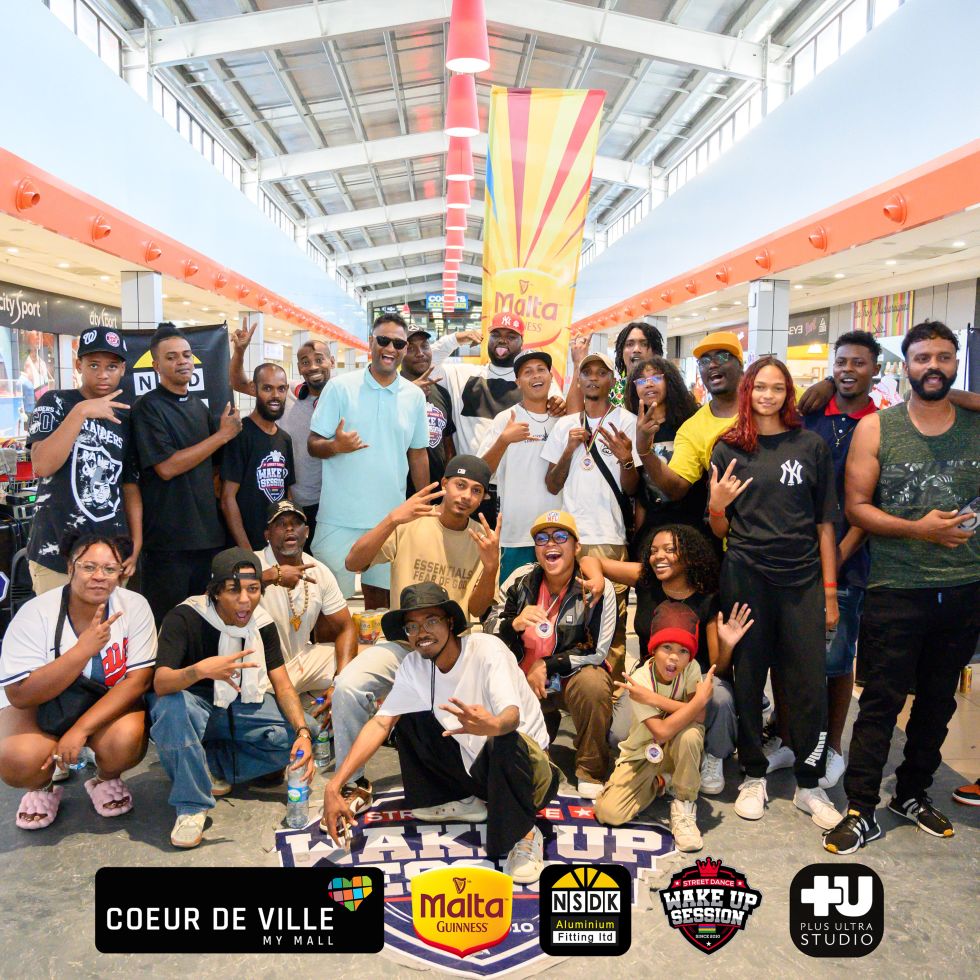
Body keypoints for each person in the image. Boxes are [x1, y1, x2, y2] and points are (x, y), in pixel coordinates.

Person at [824, 321, 980, 855]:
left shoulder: (975, 424)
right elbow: (856, 508)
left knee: (938, 702)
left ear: (956, 361)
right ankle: (860, 808)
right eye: (922, 358)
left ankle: (912, 794)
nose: (932, 366)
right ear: (905, 366)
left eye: (943, 357)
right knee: (881, 702)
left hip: (964, 587)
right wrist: (920, 530)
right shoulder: (877, 428)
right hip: (896, 587)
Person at [322, 583, 557, 885]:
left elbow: (511, 717)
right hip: (478, 768)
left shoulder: (487, 650)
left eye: (431, 621)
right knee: (405, 717)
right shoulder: (413, 665)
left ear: (450, 623)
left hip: (529, 773)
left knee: (502, 738)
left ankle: (525, 832)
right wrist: (336, 784)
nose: (422, 632)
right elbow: (381, 723)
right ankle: (461, 799)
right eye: (412, 626)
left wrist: (491, 725)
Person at [708, 356, 842, 833]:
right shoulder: (728, 447)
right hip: (746, 576)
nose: (768, 395)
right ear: (748, 391)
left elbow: (825, 525)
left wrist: (830, 594)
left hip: (802, 580)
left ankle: (810, 782)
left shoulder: (810, 446)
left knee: (808, 681)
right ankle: (752, 774)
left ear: (788, 393)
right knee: (748, 675)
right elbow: (719, 528)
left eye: (778, 388)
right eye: (760, 387)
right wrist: (716, 506)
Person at [333, 456, 501, 812]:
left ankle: (468, 783)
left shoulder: (481, 539)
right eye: (460, 485)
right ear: (444, 484)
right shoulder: (411, 522)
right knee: (348, 685)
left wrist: (490, 567)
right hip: (402, 643)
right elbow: (353, 563)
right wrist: (392, 519)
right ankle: (351, 782)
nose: (466, 496)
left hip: (452, 652)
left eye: (476, 491)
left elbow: (476, 608)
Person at [149, 548, 315, 849]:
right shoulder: (185, 616)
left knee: (310, 734)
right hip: (195, 707)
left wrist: (302, 732)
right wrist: (200, 671)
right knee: (170, 707)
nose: (244, 600)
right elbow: (161, 684)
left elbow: (282, 684)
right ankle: (191, 806)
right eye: (233, 590)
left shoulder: (261, 622)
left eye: (253, 589)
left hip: (240, 705)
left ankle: (209, 766)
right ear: (214, 592)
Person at [0, 534, 155, 830]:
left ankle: (104, 779)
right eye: (88, 567)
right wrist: (83, 650)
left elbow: (138, 681)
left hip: (103, 702)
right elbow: (19, 694)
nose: (99, 576)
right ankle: (42, 787)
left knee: (126, 742)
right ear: (70, 567)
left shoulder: (134, 606)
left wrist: (79, 731)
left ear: (121, 572)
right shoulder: (35, 613)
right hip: (42, 704)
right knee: (18, 760)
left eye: (109, 569)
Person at [597, 525, 751, 795]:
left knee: (721, 696)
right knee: (617, 735)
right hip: (652, 676)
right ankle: (667, 756)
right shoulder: (645, 580)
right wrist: (597, 581)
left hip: (694, 678)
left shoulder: (707, 598)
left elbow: (719, 668)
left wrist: (727, 645)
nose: (659, 556)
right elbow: (593, 561)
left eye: (669, 550)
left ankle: (714, 756)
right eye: (654, 551)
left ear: (689, 556)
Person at [485, 510, 616, 799]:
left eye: (560, 537)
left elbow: (598, 651)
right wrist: (513, 624)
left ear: (576, 547)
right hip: (525, 682)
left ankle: (590, 769)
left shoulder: (597, 587)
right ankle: (542, 729)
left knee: (594, 684)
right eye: (542, 539)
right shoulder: (520, 579)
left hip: (570, 679)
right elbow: (490, 624)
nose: (550, 544)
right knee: (525, 770)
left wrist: (548, 664)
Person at [802, 331, 881, 789]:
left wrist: (834, 559)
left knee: (836, 658)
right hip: (797, 560)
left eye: (858, 363)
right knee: (794, 656)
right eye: (841, 363)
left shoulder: (881, 424)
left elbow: (871, 506)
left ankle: (832, 746)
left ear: (876, 370)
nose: (848, 370)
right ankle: (794, 739)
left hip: (848, 561)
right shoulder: (811, 413)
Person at [307, 312, 429, 608]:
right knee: (329, 606)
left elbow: (418, 453)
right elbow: (313, 444)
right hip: (338, 519)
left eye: (398, 344)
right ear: (371, 342)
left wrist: (424, 505)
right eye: (384, 340)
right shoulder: (339, 388)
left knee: (383, 605)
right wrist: (336, 446)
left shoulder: (414, 396)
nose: (390, 349)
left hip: (389, 519)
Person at [132, 323, 241, 624]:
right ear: (156, 366)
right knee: (169, 627)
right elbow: (167, 467)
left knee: (204, 625)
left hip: (207, 539)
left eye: (186, 355)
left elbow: (213, 467)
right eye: (171, 357)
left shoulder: (198, 407)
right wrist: (222, 436)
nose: (182, 361)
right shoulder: (147, 408)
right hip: (167, 544)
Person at [543, 352, 640, 680]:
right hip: (570, 539)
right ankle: (570, 688)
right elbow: (552, 483)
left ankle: (613, 689)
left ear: (612, 380)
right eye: (588, 373)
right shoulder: (565, 426)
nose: (594, 378)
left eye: (601, 372)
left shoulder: (627, 421)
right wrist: (569, 449)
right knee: (568, 617)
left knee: (612, 622)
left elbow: (632, 488)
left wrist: (626, 459)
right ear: (579, 381)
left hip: (610, 537)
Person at [26, 327, 141, 594]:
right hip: (56, 553)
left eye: (112, 366)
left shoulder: (126, 417)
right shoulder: (55, 402)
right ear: (79, 366)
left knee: (110, 621)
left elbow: (129, 486)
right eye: (94, 365)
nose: (103, 374)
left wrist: (136, 544)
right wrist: (81, 411)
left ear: (123, 369)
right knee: (58, 622)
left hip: (111, 555)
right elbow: (42, 465)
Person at [595, 602, 714, 852]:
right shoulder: (640, 679)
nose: (674, 657)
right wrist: (697, 703)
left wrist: (654, 699)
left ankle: (684, 804)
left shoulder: (691, 669)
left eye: (683, 650)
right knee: (608, 813)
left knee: (691, 734)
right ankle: (662, 782)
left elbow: (700, 717)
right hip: (643, 753)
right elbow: (660, 731)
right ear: (653, 649)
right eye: (667, 647)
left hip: (674, 748)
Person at [231, 326, 333, 540]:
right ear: (299, 368)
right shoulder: (288, 391)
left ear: (331, 361)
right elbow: (239, 383)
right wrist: (239, 351)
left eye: (319, 359)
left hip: (330, 504)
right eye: (305, 362)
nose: (313, 366)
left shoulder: (343, 399)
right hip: (291, 503)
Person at [256, 502, 357, 711]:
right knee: (284, 723)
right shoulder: (252, 564)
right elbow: (217, 595)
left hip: (303, 660)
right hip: (263, 672)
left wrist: (341, 682)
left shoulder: (319, 571)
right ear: (267, 534)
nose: (289, 528)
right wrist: (271, 575)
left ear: (307, 532)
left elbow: (346, 628)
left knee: (369, 659)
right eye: (281, 524)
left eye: (296, 523)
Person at [478, 349, 564, 583]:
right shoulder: (506, 419)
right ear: (518, 381)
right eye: (527, 372)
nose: (535, 376)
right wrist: (504, 440)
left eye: (541, 370)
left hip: (559, 534)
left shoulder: (563, 418)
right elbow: (482, 473)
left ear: (550, 377)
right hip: (516, 536)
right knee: (513, 600)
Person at [639, 331, 743, 505]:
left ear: (740, 364)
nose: (712, 365)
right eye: (704, 361)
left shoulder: (766, 405)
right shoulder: (692, 428)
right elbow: (676, 489)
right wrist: (644, 450)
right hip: (729, 520)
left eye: (722, 357)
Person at [624, 357, 705, 546]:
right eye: (641, 381)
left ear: (670, 381)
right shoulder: (631, 427)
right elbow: (639, 491)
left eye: (656, 378)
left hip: (689, 524)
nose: (649, 384)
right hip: (652, 529)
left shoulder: (690, 423)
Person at [221, 363, 296, 550]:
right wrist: (247, 550)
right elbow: (227, 498)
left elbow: (286, 494)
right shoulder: (240, 434)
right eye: (267, 388)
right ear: (254, 389)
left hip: (275, 547)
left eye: (281, 389)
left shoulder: (285, 439)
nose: (275, 396)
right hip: (246, 547)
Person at [399, 327, 455, 492]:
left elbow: (447, 443)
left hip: (437, 491)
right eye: (411, 348)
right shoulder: (390, 391)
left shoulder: (442, 392)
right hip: (399, 493)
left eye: (425, 346)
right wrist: (408, 394)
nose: (420, 353)